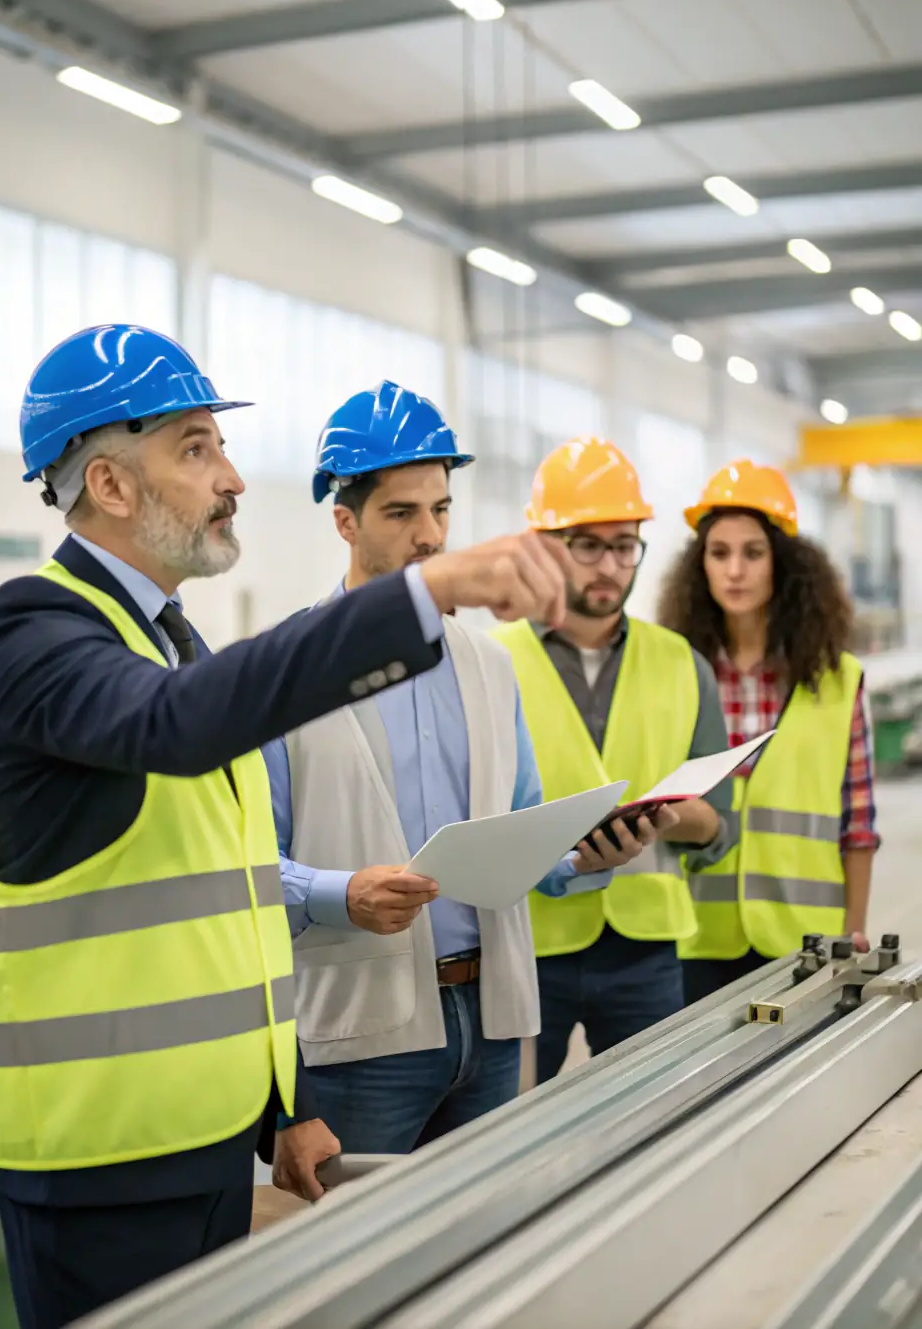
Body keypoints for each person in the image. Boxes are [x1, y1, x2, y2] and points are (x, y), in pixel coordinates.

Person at [0, 326, 576, 1329]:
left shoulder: (167, 643)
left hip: (199, 1137)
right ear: (110, 485)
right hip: (97, 1152)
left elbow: (227, 903)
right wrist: (421, 598)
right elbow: (176, 728)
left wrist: (280, 1112)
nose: (230, 476)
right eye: (197, 448)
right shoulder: (33, 626)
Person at [262, 383, 658, 1153]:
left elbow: (526, 835)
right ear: (344, 519)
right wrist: (340, 894)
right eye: (402, 513)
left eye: (440, 509)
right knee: (360, 1257)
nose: (430, 534)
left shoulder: (486, 664)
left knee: (476, 1248)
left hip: (495, 1021)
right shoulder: (287, 670)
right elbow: (246, 871)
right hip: (362, 1035)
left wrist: (588, 856)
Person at [492, 436, 736, 1084]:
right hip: (527, 944)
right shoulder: (490, 661)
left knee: (653, 1126)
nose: (610, 565)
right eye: (589, 545)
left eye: (624, 546)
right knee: (503, 1139)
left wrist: (684, 820)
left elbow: (721, 828)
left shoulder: (685, 664)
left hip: (646, 951)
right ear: (547, 546)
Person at [658, 459, 878, 1002]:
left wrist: (854, 928)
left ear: (783, 564)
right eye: (719, 553)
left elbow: (859, 821)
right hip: (695, 936)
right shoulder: (674, 674)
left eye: (753, 553)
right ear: (700, 566)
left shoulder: (837, 680)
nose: (735, 570)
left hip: (805, 935)